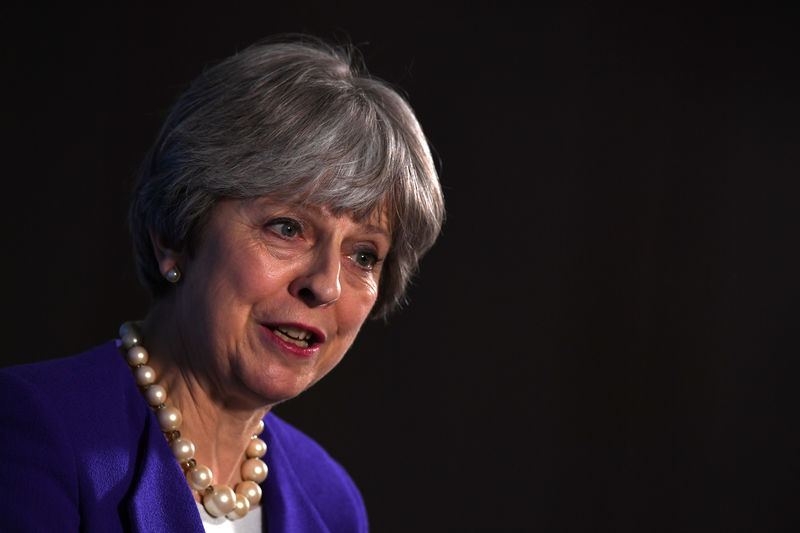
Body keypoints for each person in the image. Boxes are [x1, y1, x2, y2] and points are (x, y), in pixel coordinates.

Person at [0, 35, 443, 532]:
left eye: (364, 254)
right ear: (174, 233)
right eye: (288, 228)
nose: (326, 285)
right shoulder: (35, 432)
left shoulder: (332, 501)